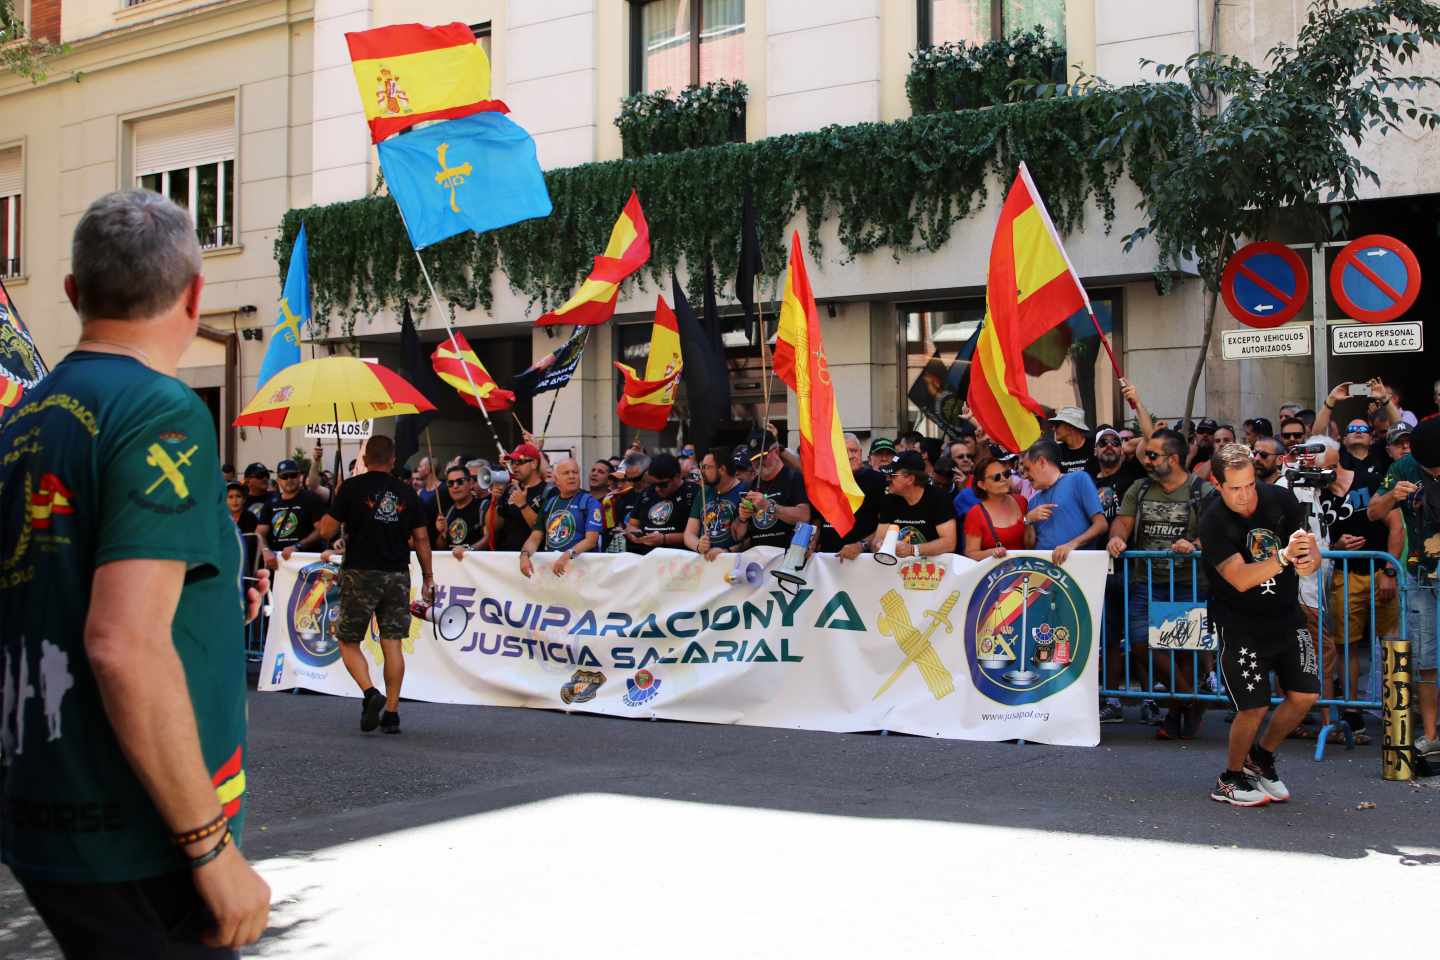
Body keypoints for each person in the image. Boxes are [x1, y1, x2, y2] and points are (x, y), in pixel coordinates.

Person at [1, 189, 271, 954]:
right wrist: (211, 849)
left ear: (74, 294)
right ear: (193, 294)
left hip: (45, 808)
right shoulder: (161, 409)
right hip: (135, 828)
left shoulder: (22, 420)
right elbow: (122, 642)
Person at [1199, 443, 1321, 806]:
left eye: (1249, 484)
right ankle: (1230, 778)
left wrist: (1306, 562)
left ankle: (1260, 758)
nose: (1245, 495)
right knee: (1252, 706)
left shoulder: (1280, 499)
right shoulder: (1213, 519)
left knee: (1305, 694)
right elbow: (1238, 576)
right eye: (1235, 487)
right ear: (1218, 485)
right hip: (1239, 621)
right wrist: (1284, 557)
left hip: (1285, 614)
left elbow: (1310, 552)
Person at [317, 434, 434, 736]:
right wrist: (429, 576)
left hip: (360, 573)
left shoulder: (351, 488)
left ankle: (370, 693)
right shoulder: (407, 492)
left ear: (366, 460)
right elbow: (421, 539)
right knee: (392, 643)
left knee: (348, 640)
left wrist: (338, 505)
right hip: (397, 574)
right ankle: (392, 713)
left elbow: (326, 530)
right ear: (393, 460)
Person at [1107, 429, 1214, 740]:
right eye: (1145, 455)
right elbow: (1123, 520)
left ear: (1174, 459)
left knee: (1184, 652)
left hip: (1188, 582)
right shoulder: (1139, 488)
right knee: (1140, 643)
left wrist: (1195, 544)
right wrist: (1117, 536)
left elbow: (1216, 530)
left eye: (1152, 455)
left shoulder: (1202, 491)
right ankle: (1189, 700)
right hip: (1146, 580)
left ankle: (1175, 713)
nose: (1146, 460)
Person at [1367, 416, 1440, 761]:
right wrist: (1392, 497)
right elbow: (1372, 511)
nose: (1435, 474)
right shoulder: (1404, 467)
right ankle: (1430, 734)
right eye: (1430, 469)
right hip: (1419, 573)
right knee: (1426, 657)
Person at [846, 450, 956, 560]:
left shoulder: (939, 499)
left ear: (910, 479)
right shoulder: (890, 498)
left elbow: (949, 543)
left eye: (892, 475)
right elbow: (878, 540)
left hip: (931, 571)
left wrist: (913, 550)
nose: (887, 478)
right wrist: (879, 546)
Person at [1021, 439, 1107, 565]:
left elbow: (1101, 525)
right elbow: (1029, 545)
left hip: (1077, 570)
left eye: (1028, 469)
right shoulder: (1033, 501)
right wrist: (1028, 519)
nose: (1025, 476)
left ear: (1041, 462)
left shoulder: (1079, 479)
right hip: (1044, 574)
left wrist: (1071, 545)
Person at [519, 458, 601, 578]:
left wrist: (567, 555)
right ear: (556, 480)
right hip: (552, 571)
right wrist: (524, 556)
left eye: (575, 472)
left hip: (581, 573)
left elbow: (591, 540)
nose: (572, 476)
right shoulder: (549, 503)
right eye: (566, 473)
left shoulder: (590, 502)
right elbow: (535, 538)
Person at [734, 433, 811, 550]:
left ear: (775, 451)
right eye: (754, 459)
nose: (758, 463)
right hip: (757, 560)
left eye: (762, 457)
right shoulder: (750, 486)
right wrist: (742, 518)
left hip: (785, 558)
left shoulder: (793, 478)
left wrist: (769, 506)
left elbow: (804, 516)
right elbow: (737, 535)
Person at [255, 457, 329, 569]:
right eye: (284, 477)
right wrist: (265, 551)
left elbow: (321, 530)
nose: (289, 479)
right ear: (278, 479)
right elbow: (260, 533)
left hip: (305, 563)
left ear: (299, 476)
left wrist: (298, 546)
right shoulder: (270, 502)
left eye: (293, 475)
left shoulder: (311, 499)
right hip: (278, 564)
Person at [962, 452, 1032, 560]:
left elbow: (1030, 544)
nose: (1004, 479)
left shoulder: (1021, 501)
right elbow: (970, 553)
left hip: (1024, 571)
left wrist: (1028, 520)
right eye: (996, 477)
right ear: (982, 485)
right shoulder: (976, 514)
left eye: (1007, 474)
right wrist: (990, 553)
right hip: (996, 574)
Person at [624, 453, 696, 554]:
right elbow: (632, 525)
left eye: (662, 484)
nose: (657, 489)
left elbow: (696, 535)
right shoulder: (646, 493)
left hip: (678, 558)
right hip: (645, 556)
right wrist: (633, 534)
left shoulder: (693, 493)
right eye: (653, 484)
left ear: (677, 477)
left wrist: (664, 539)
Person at [686, 448, 748, 561]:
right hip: (705, 562)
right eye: (702, 467)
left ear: (722, 469)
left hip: (733, 563)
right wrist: (698, 546)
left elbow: (749, 539)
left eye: (707, 467)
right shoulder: (704, 492)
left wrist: (726, 552)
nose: (702, 472)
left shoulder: (745, 491)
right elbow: (689, 534)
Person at [496, 442, 548, 551]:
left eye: (520, 461)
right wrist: (494, 499)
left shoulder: (548, 491)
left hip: (534, 558)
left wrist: (523, 505)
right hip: (506, 557)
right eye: (512, 462)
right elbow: (495, 527)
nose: (514, 466)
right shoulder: (510, 489)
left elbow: (545, 530)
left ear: (534, 463)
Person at [1092, 425, 1147, 524]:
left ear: (1122, 450)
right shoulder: (1088, 482)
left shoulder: (1133, 472)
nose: (1109, 446)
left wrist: (1128, 445)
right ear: (1095, 451)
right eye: (1103, 443)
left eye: (1115, 443)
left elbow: (1150, 440)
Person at [436, 464, 486, 559]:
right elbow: (440, 548)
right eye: (450, 483)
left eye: (460, 481)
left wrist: (468, 551)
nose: (455, 486)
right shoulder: (447, 512)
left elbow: (489, 538)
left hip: (476, 569)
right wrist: (442, 533)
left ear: (471, 483)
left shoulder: (482, 507)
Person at [1047, 406, 1096, 475]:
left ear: (1070, 427)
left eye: (1057, 425)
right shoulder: (1056, 452)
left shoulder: (1095, 446)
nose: (1053, 429)